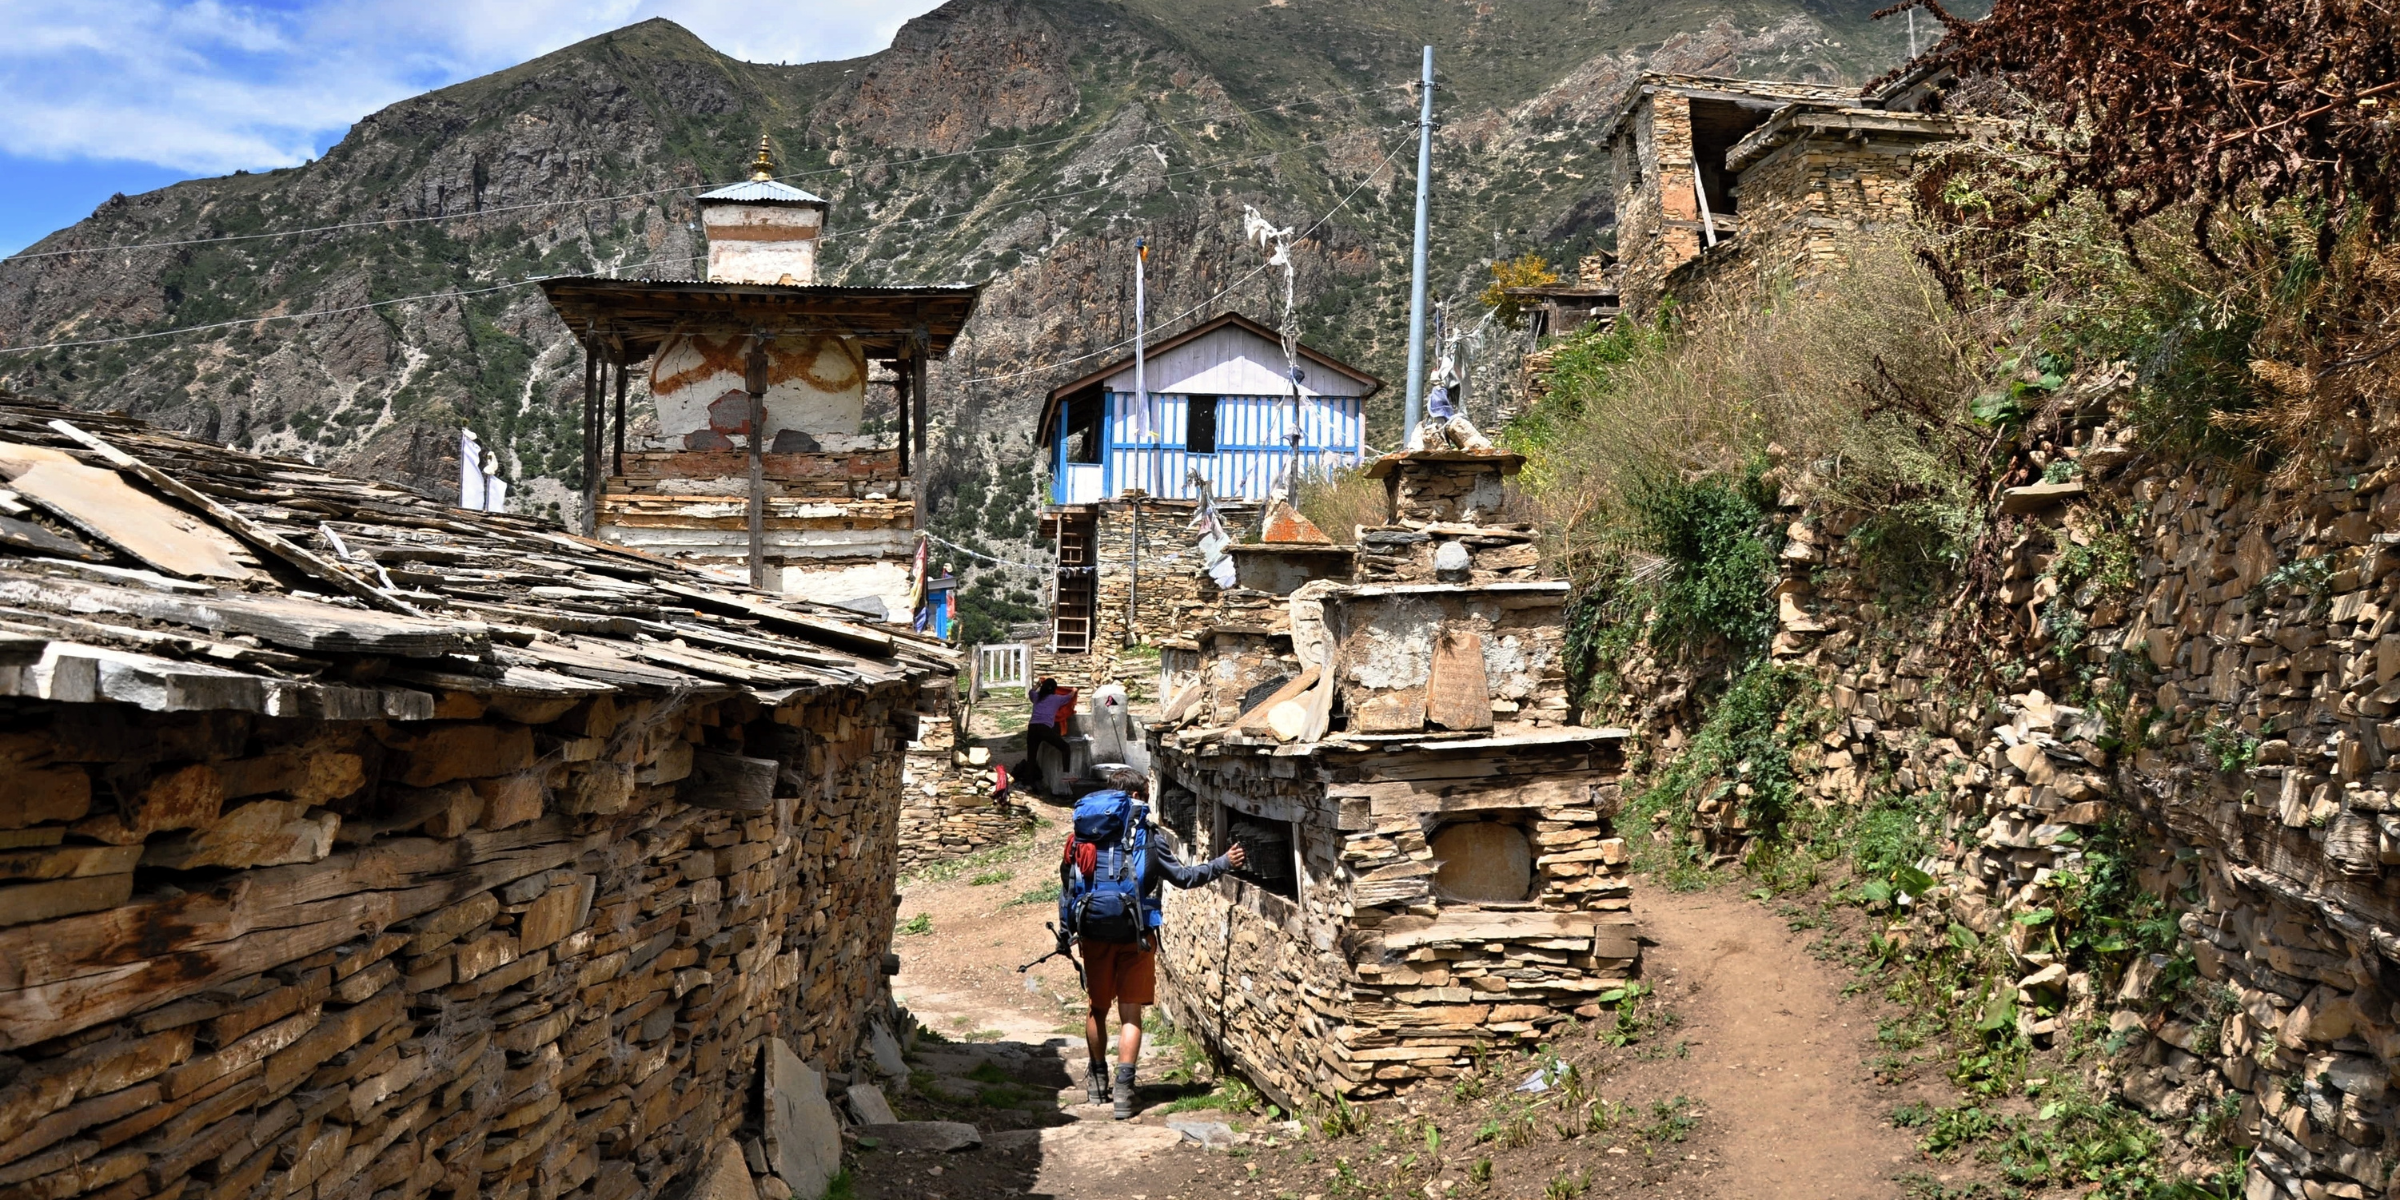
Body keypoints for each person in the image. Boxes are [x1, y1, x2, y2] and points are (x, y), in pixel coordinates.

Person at [1057, 768, 1246, 1119]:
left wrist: (1068, 933)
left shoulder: (1082, 834)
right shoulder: (1147, 835)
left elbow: (1068, 887)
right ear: (1140, 796)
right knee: (1130, 1013)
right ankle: (1125, 1094)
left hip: (1093, 935)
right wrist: (1223, 863)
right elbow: (1184, 878)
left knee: (1097, 1008)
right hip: (1137, 934)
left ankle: (1097, 1083)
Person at [1022, 677, 1072, 794]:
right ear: (1054, 689)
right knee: (1065, 748)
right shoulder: (1057, 699)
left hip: (1032, 728)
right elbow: (1069, 697)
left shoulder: (1037, 697)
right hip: (1045, 728)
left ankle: (1028, 784)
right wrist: (1074, 690)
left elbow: (1031, 691)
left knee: (1031, 757)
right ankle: (1066, 774)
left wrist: (1038, 684)